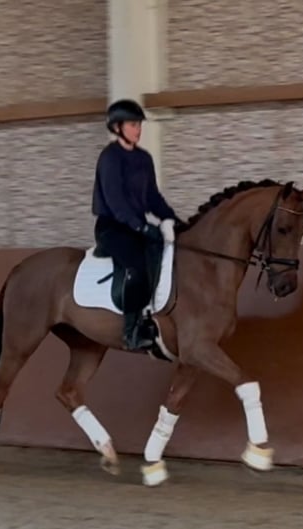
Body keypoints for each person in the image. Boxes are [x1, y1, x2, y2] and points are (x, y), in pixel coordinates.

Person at [91, 98, 181, 350]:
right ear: (118, 127)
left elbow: (152, 196)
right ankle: (131, 331)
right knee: (137, 267)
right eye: (132, 124)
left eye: (139, 124)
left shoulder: (143, 158)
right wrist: (141, 227)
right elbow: (116, 201)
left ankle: (157, 315)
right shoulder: (110, 158)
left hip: (136, 226)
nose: (138, 129)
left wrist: (170, 218)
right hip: (113, 228)